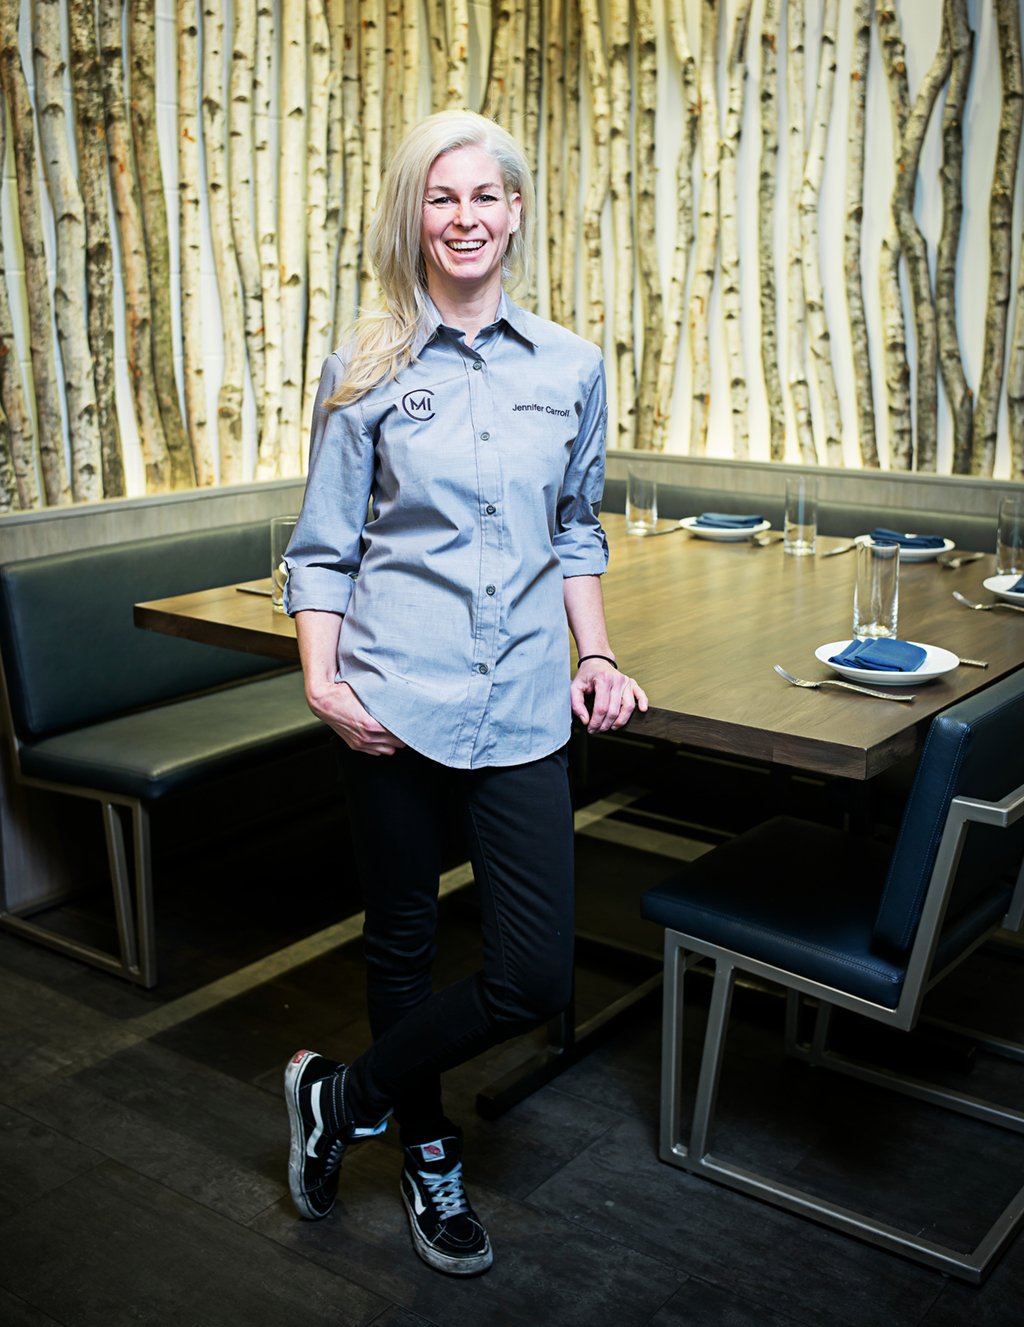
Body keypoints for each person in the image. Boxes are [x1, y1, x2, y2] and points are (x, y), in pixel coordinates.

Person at [282, 109, 647, 1277]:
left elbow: (575, 527)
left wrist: (594, 655)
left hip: (528, 700)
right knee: (400, 944)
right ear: (415, 217)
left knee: (531, 973)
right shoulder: (366, 366)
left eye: (485, 197)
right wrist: (321, 683)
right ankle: (428, 1155)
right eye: (441, 199)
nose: (464, 219)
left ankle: (341, 1096)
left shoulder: (572, 366)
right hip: (390, 702)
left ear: (517, 211)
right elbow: (323, 546)